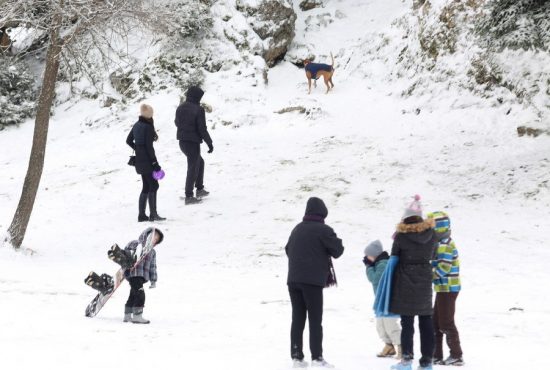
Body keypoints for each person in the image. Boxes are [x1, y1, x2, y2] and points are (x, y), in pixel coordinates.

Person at [285, 197, 345, 368]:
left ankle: (297, 357)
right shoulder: (323, 230)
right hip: (311, 282)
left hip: (293, 280)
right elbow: (338, 251)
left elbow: (288, 249)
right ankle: (317, 358)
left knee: (297, 318)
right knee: (315, 319)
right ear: (322, 213)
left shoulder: (297, 229)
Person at [389, 195, 437, 370]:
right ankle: (426, 362)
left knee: (407, 323)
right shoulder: (432, 235)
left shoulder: (401, 237)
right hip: (424, 279)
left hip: (405, 280)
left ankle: (407, 360)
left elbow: (394, 256)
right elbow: (434, 256)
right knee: (426, 322)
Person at [427, 211, 464, 366]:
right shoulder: (439, 244)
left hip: (449, 289)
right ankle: (437, 355)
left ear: (439, 228)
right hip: (442, 288)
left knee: (446, 322)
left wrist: (428, 274)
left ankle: (456, 355)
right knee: (435, 322)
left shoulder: (446, 244)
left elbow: (444, 268)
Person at [126, 104, 165, 222]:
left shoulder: (137, 125)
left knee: (146, 186)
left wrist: (138, 148)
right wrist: (155, 164)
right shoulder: (147, 127)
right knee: (154, 185)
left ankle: (142, 215)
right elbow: (149, 148)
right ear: (149, 115)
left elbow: (128, 140)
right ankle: (153, 215)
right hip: (148, 161)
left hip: (139, 160)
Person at [174, 86, 213, 205]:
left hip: (182, 142)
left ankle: (199, 188)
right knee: (193, 167)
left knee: (199, 162)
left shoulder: (180, 107)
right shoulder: (198, 109)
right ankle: (189, 196)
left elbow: (176, 122)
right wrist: (209, 143)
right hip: (192, 142)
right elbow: (202, 129)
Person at [364, 240, 402, 359]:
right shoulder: (378, 263)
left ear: (374, 254)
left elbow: (374, 279)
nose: (367, 257)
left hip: (387, 300)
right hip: (380, 300)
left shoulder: (383, 263)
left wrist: (368, 267)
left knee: (390, 325)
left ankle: (401, 347)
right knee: (380, 325)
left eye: (368, 255)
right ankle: (389, 346)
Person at [123, 227, 164, 324]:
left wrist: (153, 280)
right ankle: (137, 316)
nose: (154, 240)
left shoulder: (152, 252)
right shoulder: (135, 243)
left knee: (133, 294)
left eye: (156, 240)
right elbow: (125, 254)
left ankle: (127, 315)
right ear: (147, 234)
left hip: (142, 276)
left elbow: (153, 267)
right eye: (154, 236)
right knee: (140, 293)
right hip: (133, 273)